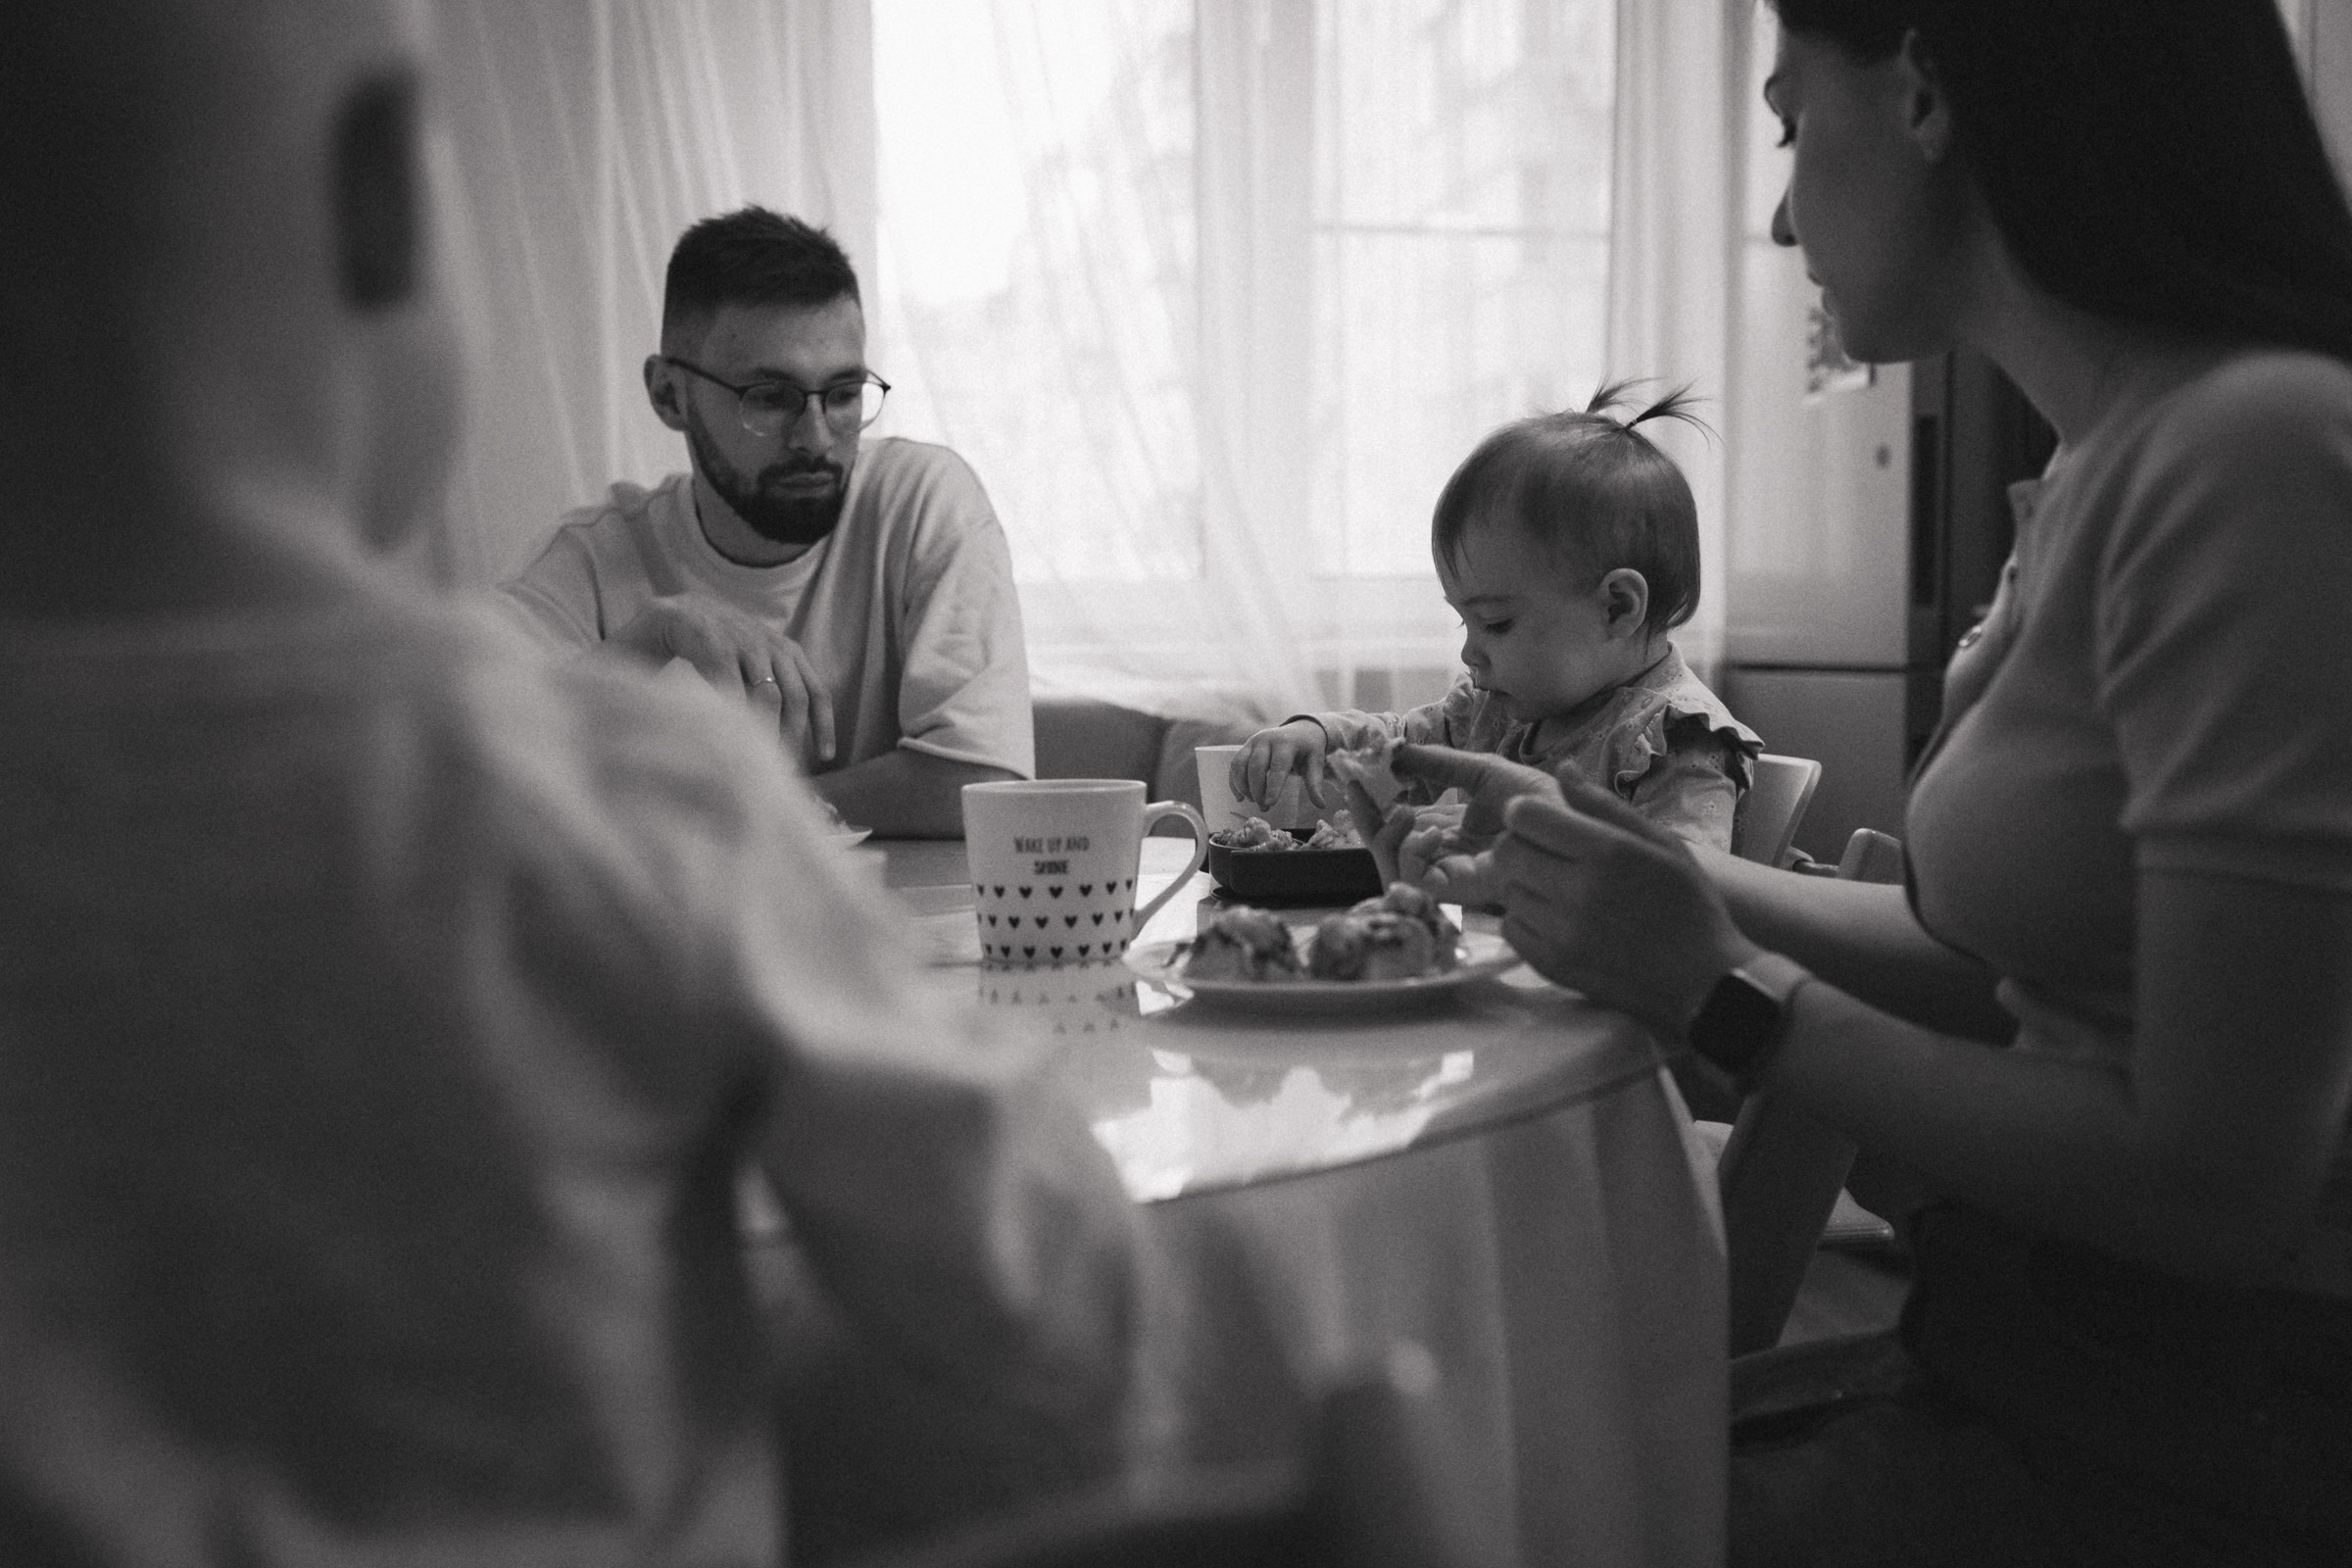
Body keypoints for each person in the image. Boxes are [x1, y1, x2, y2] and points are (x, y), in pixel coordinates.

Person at [0, 2, 1146, 1560]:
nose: (818, 426)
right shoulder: (638, 796)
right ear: (387, 208)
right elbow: (1062, 1308)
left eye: (841, 390)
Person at [1348, 1, 2352, 1563]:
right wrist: (1641, 865)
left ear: (1928, 93)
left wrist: (1723, 987)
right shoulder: (2106, 463)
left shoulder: (2254, 452)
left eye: (1789, 125)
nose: (1781, 204)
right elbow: (2006, 976)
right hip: (2031, 1355)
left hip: (2196, 1424)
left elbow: (2222, 1185)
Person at [501, 207, 1032, 839]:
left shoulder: (921, 503)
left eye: (841, 394)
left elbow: (979, 786)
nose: (815, 438)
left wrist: (730, 814)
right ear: (670, 395)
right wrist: (652, 638)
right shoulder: (592, 559)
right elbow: (468, 784)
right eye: (769, 398)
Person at [1231, 386, 1762, 893]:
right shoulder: (1496, 708)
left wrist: (1518, 842)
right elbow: (1396, 745)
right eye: (1466, 623)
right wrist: (1320, 737)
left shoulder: (1679, 737)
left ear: (1616, 607)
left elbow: (1684, 889)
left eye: (1497, 624)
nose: (1469, 652)